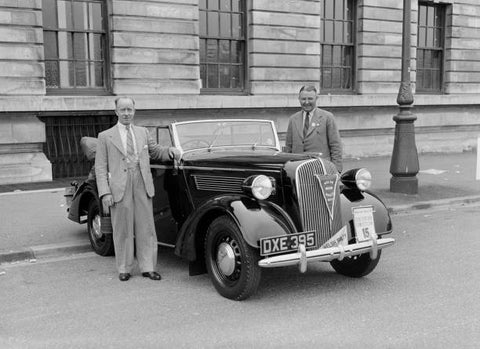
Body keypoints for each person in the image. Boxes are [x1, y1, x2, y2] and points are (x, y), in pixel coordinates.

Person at [95, 97, 180, 282]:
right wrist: (105, 192)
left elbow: (156, 151)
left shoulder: (143, 132)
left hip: (142, 182)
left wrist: (170, 151)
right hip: (119, 186)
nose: (126, 113)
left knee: (146, 227)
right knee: (122, 228)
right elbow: (100, 167)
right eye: (122, 110)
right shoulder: (105, 136)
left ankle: (148, 267)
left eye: (130, 110)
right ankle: (124, 268)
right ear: (116, 111)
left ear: (134, 111)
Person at [285, 85, 343, 172]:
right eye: (303, 99)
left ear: (316, 98)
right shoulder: (293, 119)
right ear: (299, 99)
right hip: (298, 169)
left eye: (310, 99)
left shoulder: (327, 117)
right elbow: (288, 147)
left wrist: (337, 170)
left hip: (322, 168)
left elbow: (335, 146)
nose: (306, 102)